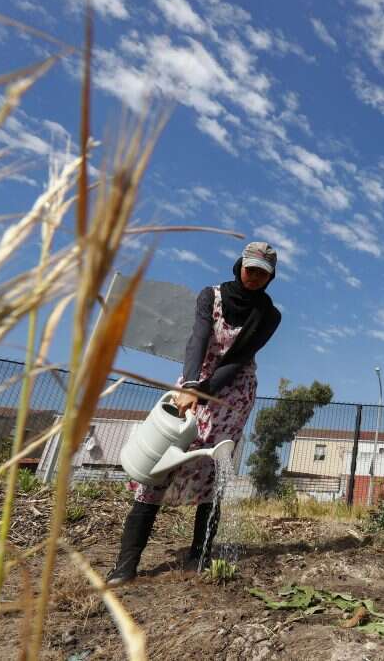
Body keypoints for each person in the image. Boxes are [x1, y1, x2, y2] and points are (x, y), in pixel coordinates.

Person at [106, 242, 282, 585]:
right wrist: (189, 385)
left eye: (263, 272)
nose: (255, 277)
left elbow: (236, 359)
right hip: (193, 379)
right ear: (239, 265)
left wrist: (202, 392)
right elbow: (198, 338)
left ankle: (197, 556)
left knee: (214, 465)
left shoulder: (269, 315)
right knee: (161, 459)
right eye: (251, 268)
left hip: (233, 390)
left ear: (271, 276)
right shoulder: (210, 296)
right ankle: (125, 565)